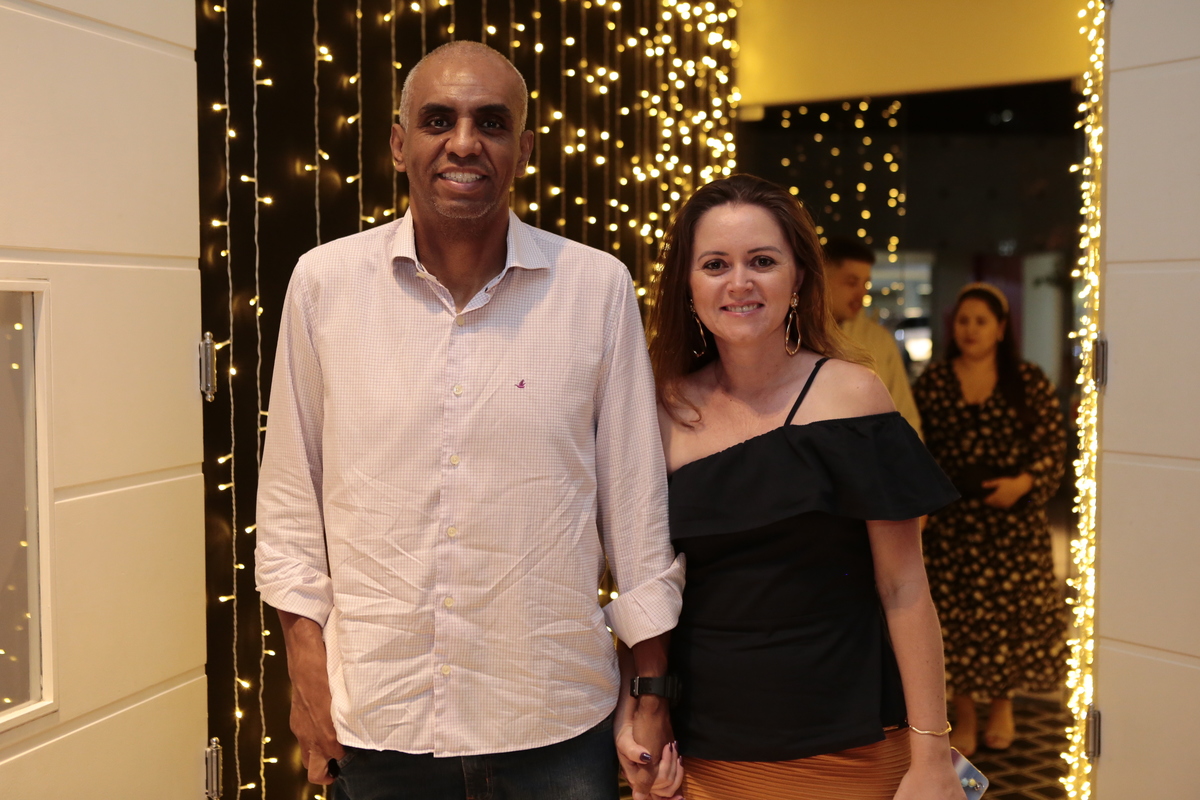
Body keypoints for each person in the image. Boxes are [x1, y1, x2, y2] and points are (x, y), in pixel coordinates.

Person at [255, 41, 685, 800]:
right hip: (379, 717)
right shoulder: (325, 283)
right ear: (399, 144)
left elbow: (636, 507)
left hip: (554, 719)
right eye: (437, 120)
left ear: (524, 149)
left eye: (490, 122)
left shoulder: (596, 287)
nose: (463, 142)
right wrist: (305, 673)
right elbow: (291, 501)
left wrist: (649, 691)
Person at [639, 173, 966, 800]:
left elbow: (903, 588)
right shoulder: (660, 409)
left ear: (798, 280)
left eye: (762, 261)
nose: (739, 282)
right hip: (705, 750)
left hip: (850, 741)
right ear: (688, 284)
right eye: (715, 264)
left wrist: (931, 757)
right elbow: (647, 586)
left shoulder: (852, 396)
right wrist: (644, 711)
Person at [913, 283, 1067, 757]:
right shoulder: (934, 382)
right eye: (963, 321)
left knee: (1010, 620)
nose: (971, 330)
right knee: (954, 621)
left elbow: (1054, 446)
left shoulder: (1027, 379)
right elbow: (914, 447)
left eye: (981, 321)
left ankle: (1003, 707)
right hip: (953, 525)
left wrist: (1023, 483)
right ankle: (964, 715)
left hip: (1012, 525)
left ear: (1001, 329)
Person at [824, 236, 922, 437]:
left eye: (866, 284)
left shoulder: (878, 340)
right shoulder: (793, 335)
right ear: (822, 279)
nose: (861, 294)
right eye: (852, 283)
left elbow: (905, 413)